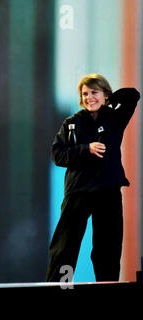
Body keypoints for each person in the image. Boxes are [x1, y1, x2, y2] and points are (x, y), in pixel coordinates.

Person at [46, 74, 140, 282]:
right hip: (78, 190)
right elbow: (58, 155)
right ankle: (61, 286)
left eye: (94, 92)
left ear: (105, 94)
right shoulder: (72, 123)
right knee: (65, 247)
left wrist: (108, 100)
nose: (89, 98)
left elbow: (133, 95)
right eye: (85, 94)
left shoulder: (114, 119)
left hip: (108, 190)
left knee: (108, 248)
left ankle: (106, 286)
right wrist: (85, 149)